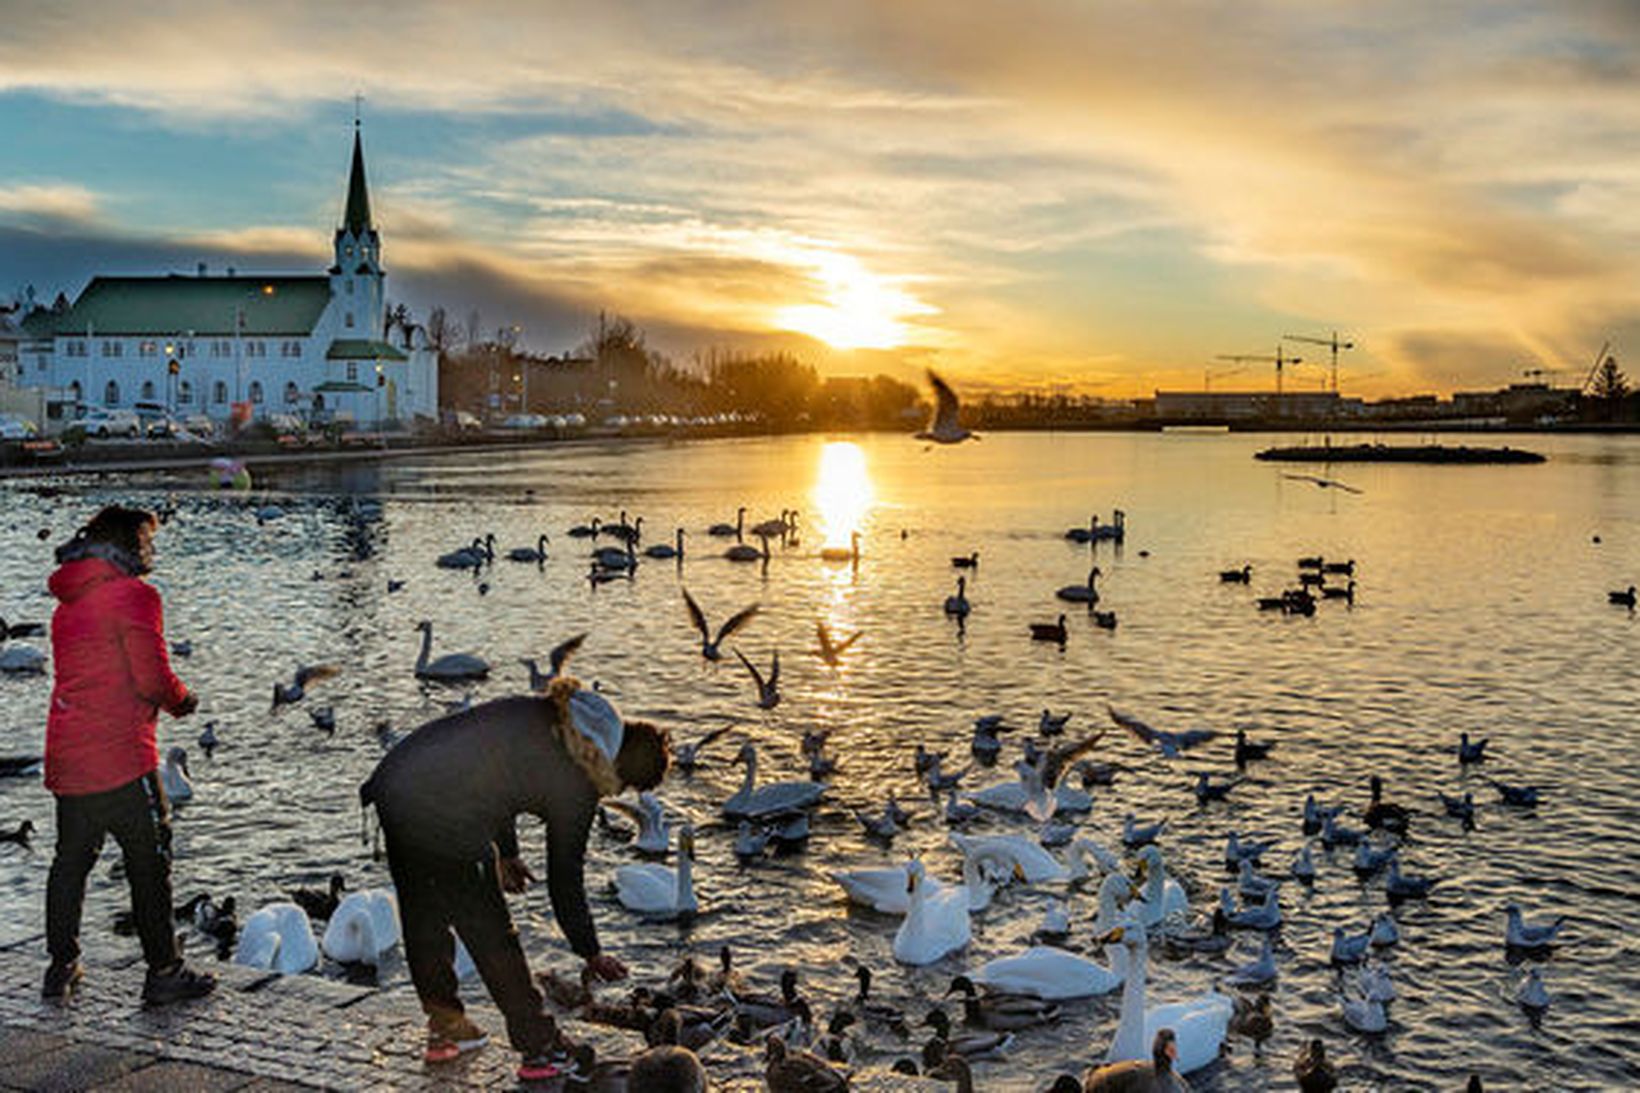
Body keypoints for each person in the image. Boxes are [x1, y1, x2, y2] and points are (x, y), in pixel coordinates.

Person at [360, 675, 671, 1082]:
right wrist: (590, 950)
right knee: (491, 931)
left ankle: (446, 1031)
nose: (618, 789)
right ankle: (540, 1050)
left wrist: (506, 852)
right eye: (626, 783)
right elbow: (565, 875)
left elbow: (493, 768)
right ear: (622, 766)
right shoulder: (581, 772)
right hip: (442, 806)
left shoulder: (559, 716)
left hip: (397, 782)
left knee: (425, 916)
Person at [42, 505, 216, 1005]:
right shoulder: (137, 597)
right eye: (146, 541)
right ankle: (163, 970)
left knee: (70, 863)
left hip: (69, 755)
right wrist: (184, 701)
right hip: (121, 757)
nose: (152, 551)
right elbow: (152, 677)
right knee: (149, 863)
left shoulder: (68, 602)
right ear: (127, 547)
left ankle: (62, 967)